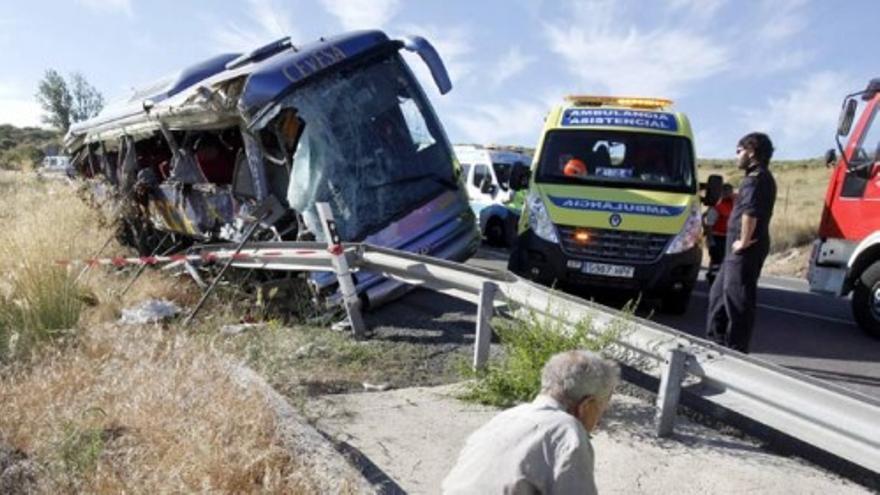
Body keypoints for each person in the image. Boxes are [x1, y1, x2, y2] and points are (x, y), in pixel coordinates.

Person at [442, 350, 620, 494]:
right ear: (587, 405)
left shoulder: (506, 417)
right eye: (602, 409)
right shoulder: (568, 431)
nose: (599, 421)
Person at [706, 133, 777, 353]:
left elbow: (750, 213)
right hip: (734, 249)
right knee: (718, 295)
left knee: (738, 299)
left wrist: (743, 242)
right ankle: (714, 343)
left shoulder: (756, 179)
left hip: (744, 249)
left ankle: (736, 350)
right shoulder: (754, 177)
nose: (737, 156)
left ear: (751, 151)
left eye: (739, 151)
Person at [705, 183, 736, 285]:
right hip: (718, 238)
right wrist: (710, 240)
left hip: (730, 238)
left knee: (723, 262)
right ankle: (713, 281)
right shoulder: (717, 208)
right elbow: (709, 224)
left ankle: (716, 278)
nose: (728, 193)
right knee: (716, 261)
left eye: (729, 191)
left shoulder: (735, 207)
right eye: (725, 191)